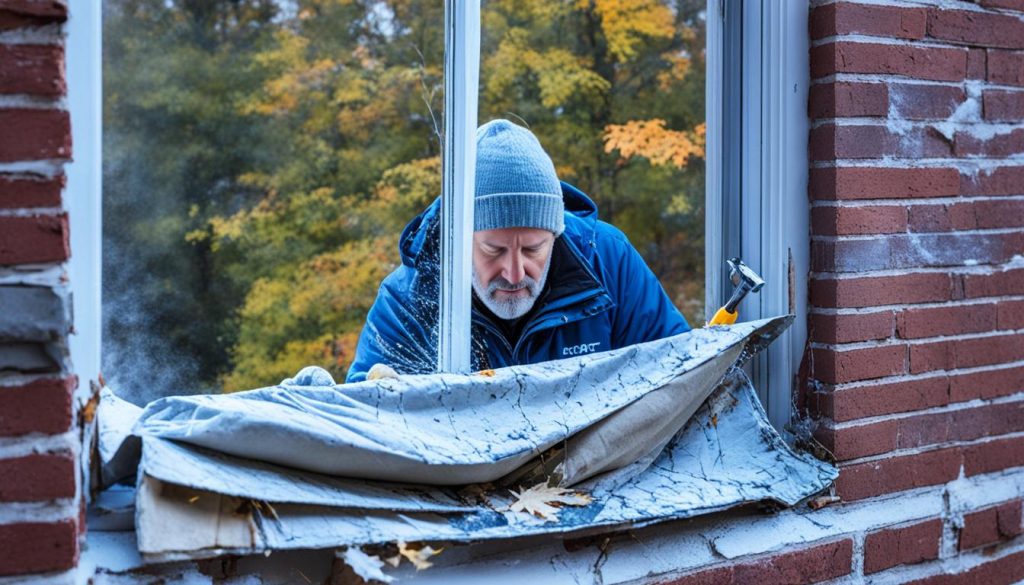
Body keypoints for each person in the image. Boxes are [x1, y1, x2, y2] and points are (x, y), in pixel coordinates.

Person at [345, 120, 690, 383]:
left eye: (533, 249)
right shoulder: (410, 297)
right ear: (457, 239)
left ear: (557, 234)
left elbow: (679, 371)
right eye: (493, 250)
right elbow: (361, 416)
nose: (514, 272)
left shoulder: (607, 261)